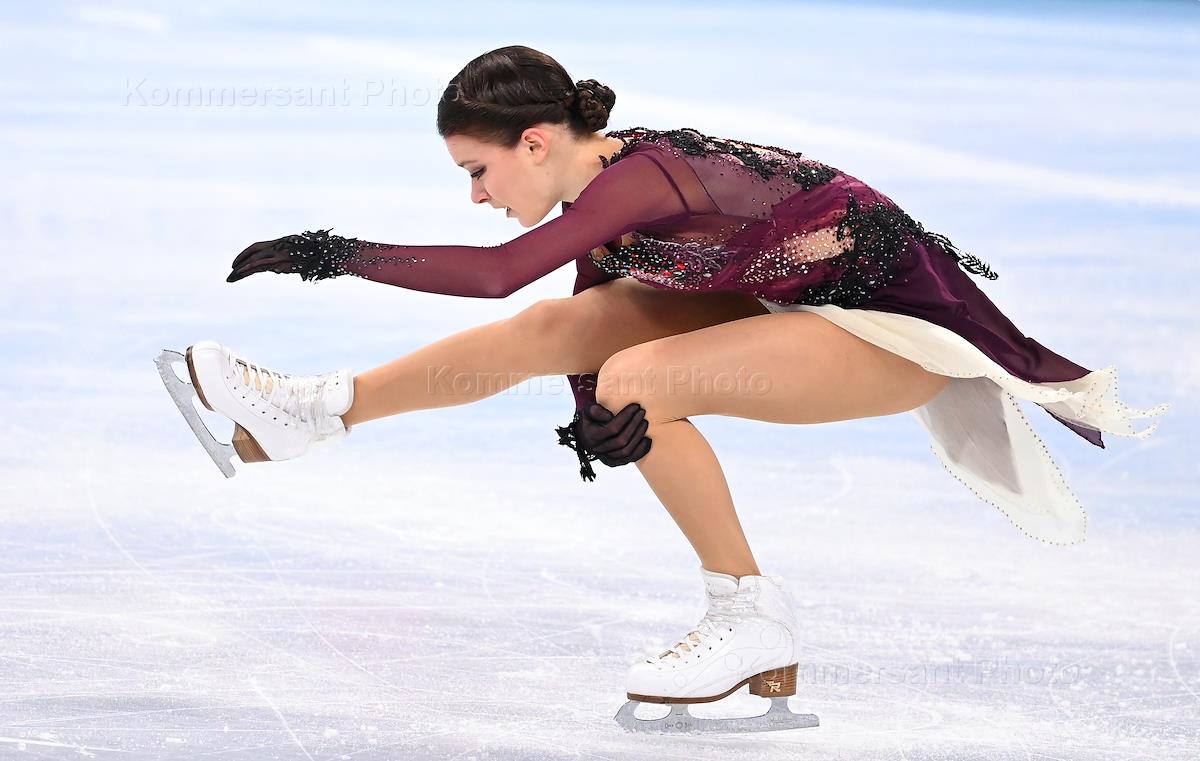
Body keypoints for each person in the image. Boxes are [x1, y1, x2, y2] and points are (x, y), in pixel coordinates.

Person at [171, 45, 1171, 732]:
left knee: (638, 374)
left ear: (534, 143)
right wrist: (593, 416)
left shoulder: (640, 180)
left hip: (901, 332)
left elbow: (500, 271)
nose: (474, 195)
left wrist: (338, 253)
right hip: (794, 302)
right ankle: (313, 412)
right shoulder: (604, 192)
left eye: (478, 170)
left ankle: (751, 611)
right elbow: (573, 312)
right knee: (570, 335)